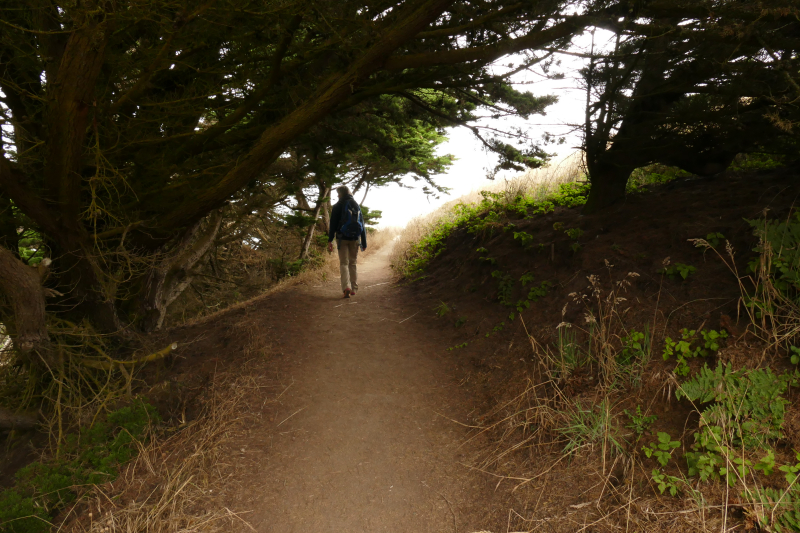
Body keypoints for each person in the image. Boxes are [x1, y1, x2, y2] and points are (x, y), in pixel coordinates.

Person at [327, 186, 367, 298]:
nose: (337, 195)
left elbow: (333, 225)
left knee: (344, 263)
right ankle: (354, 288)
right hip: (355, 238)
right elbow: (362, 225)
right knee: (352, 263)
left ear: (340, 194)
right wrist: (364, 242)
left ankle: (346, 287)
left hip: (341, 238)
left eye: (338, 193)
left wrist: (330, 240)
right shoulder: (355, 205)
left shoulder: (337, 206)